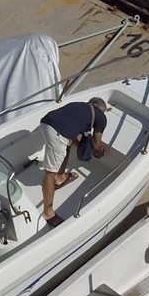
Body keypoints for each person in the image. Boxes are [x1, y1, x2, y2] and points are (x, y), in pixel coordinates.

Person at [39, 96, 109, 224]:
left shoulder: (77, 105)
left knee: (68, 144)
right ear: (101, 109)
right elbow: (98, 144)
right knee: (50, 173)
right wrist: (98, 152)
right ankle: (48, 213)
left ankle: (60, 178)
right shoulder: (101, 117)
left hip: (45, 123)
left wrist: (81, 146)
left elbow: (69, 133)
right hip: (57, 134)